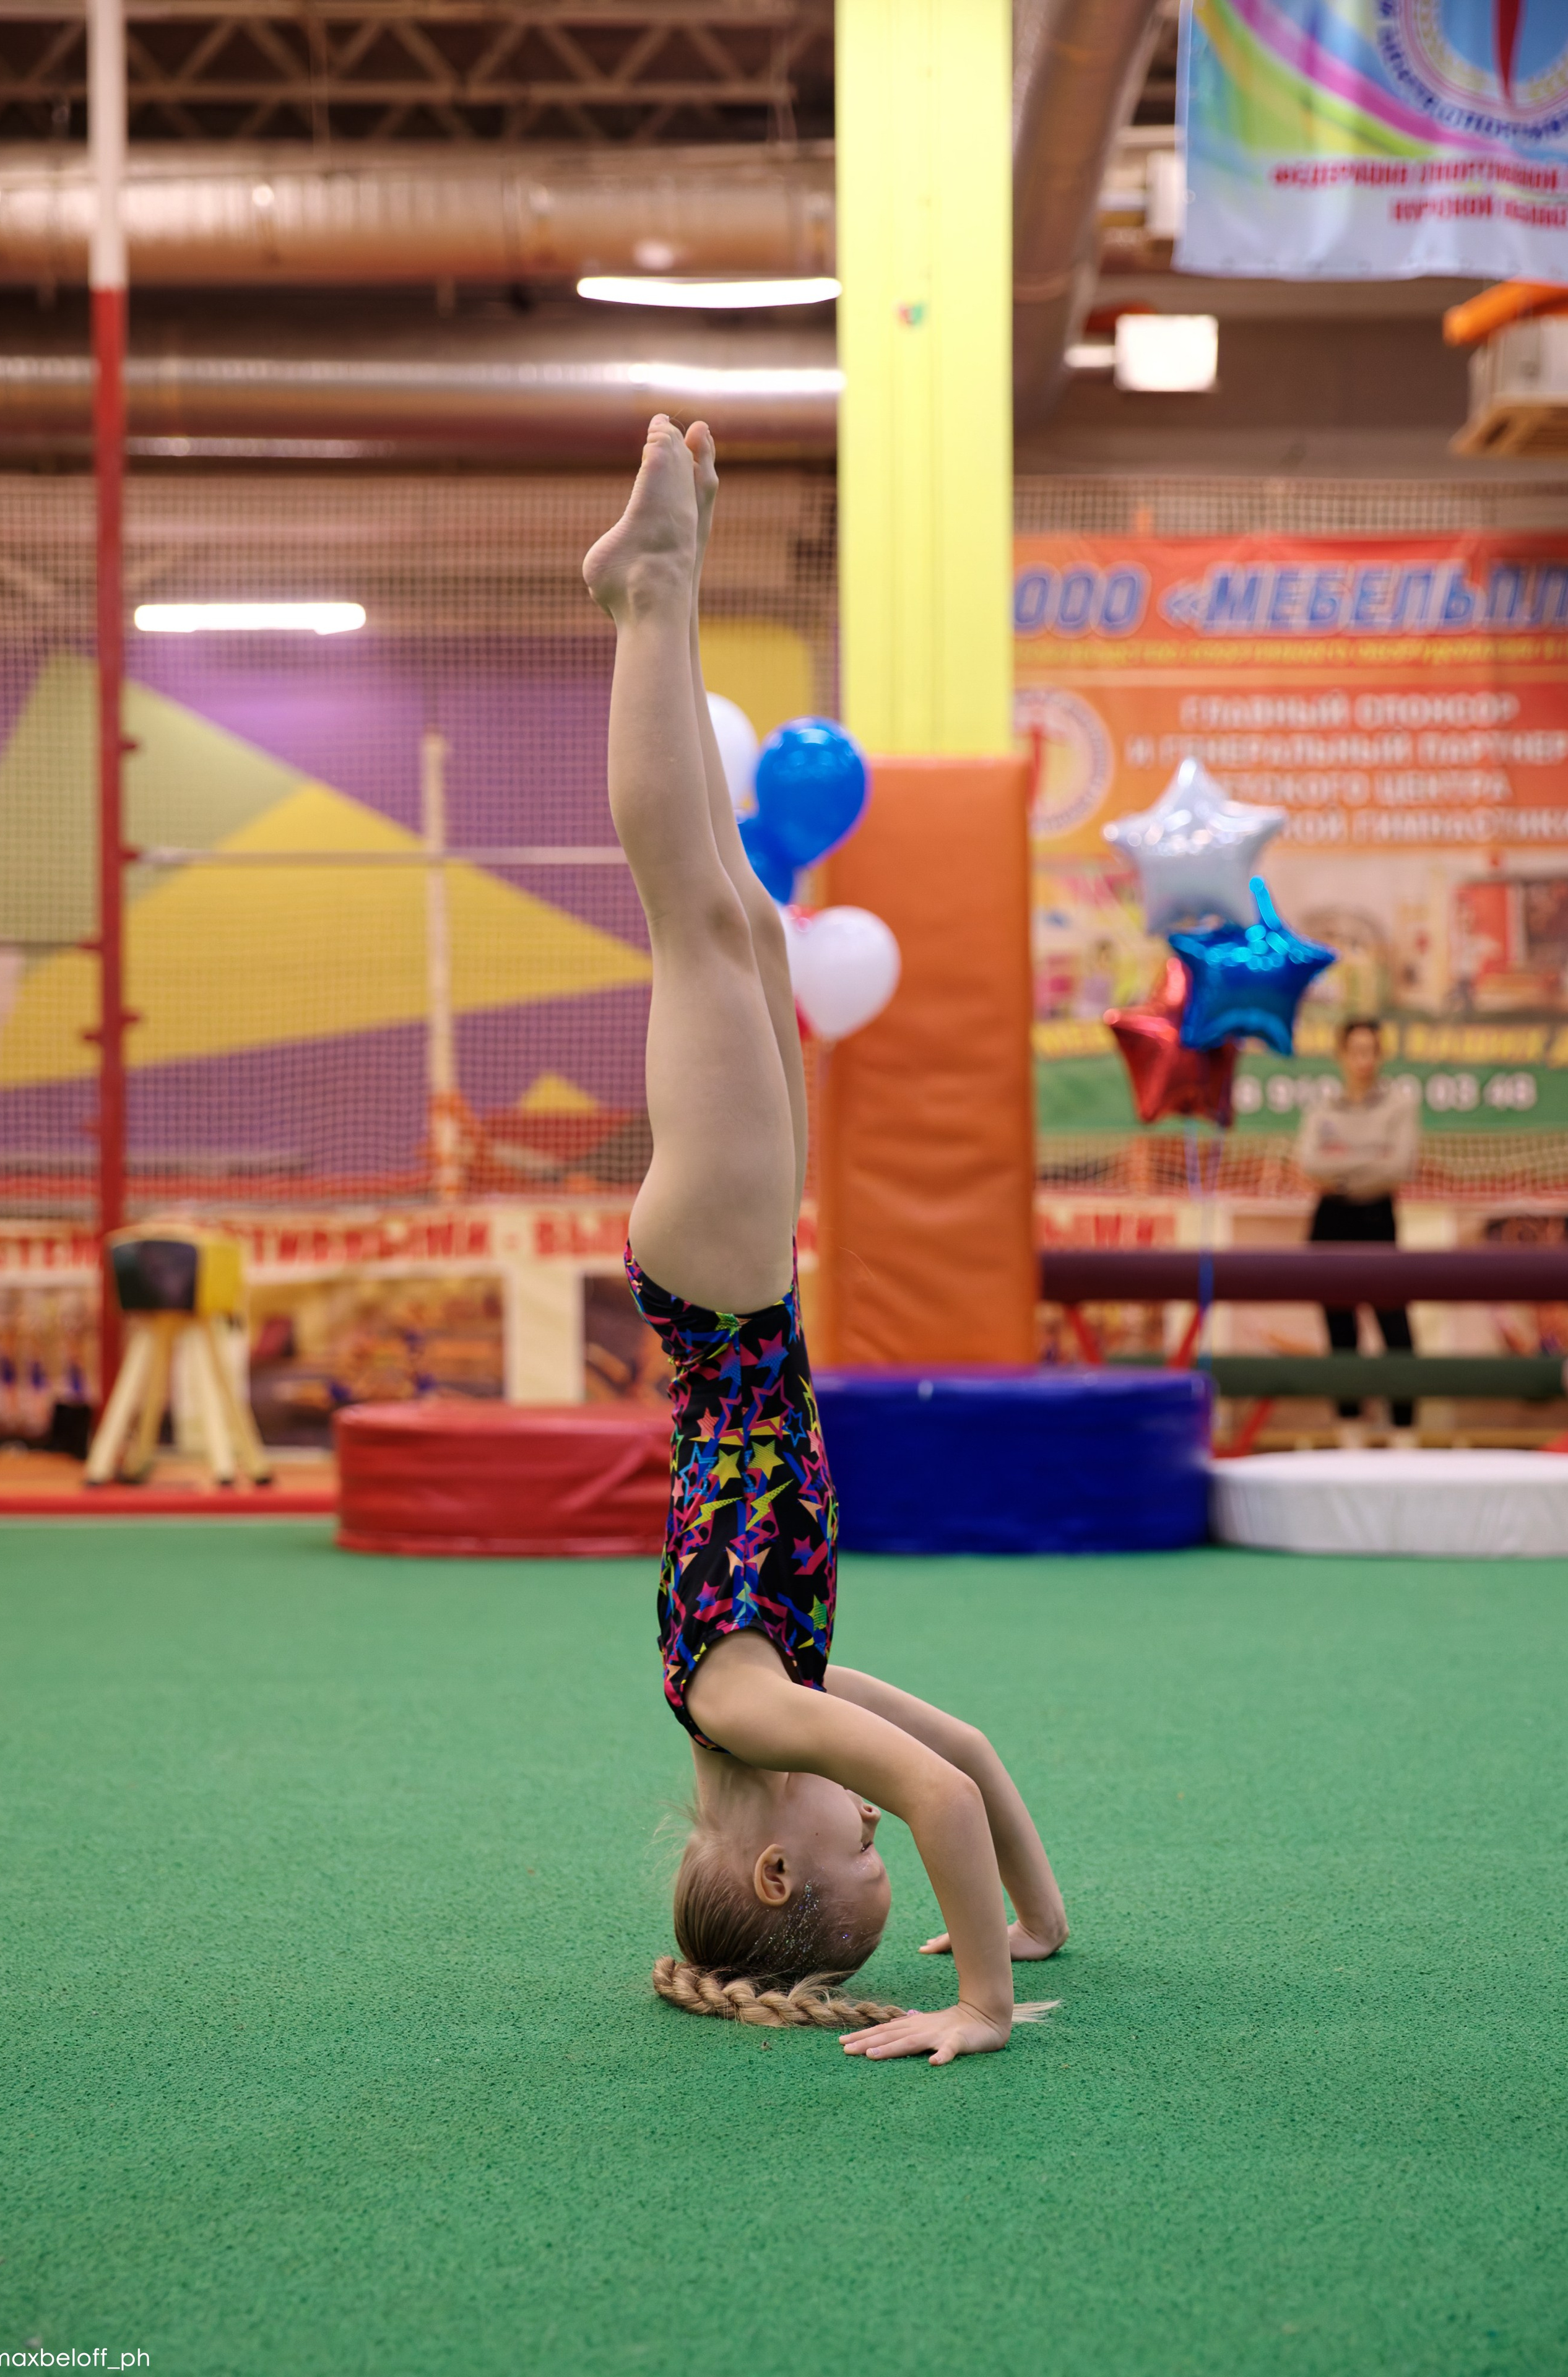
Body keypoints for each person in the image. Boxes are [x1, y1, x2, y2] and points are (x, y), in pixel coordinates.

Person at [583, 416, 1068, 2064]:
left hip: (718, 1302)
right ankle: (674, 577)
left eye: (854, 1853)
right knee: (750, 920)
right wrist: (1044, 1919)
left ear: (776, 1861)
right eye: (885, 1851)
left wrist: (984, 2006)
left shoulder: (746, 1703)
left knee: (698, 924)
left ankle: (650, 594)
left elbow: (925, 1790)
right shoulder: (788, 1689)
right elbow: (975, 1763)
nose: (879, 1821)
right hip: (744, 1286)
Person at [1296, 1016, 1421, 1445]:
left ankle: (1404, 1434)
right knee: (1340, 1332)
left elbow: (1399, 1166)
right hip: (1330, 1220)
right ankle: (1350, 1435)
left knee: (1396, 1329)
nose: (1364, 1060)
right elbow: (1311, 1164)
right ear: (1342, 1056)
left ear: (1380, 1055)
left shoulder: (1400, 1105)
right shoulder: (1322, 1109)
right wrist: (1370, 1159)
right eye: (1356, 1051)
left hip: (1378, 1219)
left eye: (1372, 1051)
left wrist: (1343, 1166)